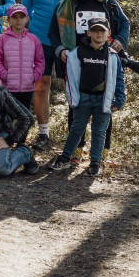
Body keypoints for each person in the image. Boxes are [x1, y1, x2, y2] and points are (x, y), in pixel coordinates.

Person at [50, 0, 131, 163]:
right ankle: (77, 150)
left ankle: (102, 151)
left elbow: (124, 23)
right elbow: (53, 32)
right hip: (74, 64)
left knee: (106, 105)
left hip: (104, 61)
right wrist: (60, 50)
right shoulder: (64, 4)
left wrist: (120, 39)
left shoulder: (105, 1)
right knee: (75, 106)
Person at [47, 17, 125, 177]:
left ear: (108, 33)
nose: (98, 33)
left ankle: (95, 162)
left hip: (104, 99)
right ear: (88, 32)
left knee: (99, 130)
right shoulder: (77, 52)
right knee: (76, 128)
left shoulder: (112, 55)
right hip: (83, 97)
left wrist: (120, 99)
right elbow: (71, 75)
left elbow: (119, 78)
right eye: (95, 30)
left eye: (102, 30)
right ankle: (65, 157)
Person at [20, 0, 69, 150]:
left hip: (68, 43)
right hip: (39, 40)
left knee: (72, 89)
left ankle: (74, 136)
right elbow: (24, 9)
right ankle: (43, 133)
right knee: (41, 86)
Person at [0, 4, 44, 111]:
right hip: (9, 86)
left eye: (21, 17)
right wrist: (5, 75)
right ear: (9, 19)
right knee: (8, 117)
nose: (18, 20)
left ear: (27, 19)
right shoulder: (2, 39)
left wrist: (34, 77)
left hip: (27, 87)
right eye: (14, 17)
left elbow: (40, 61)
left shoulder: (33, 39)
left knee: (25, 117)